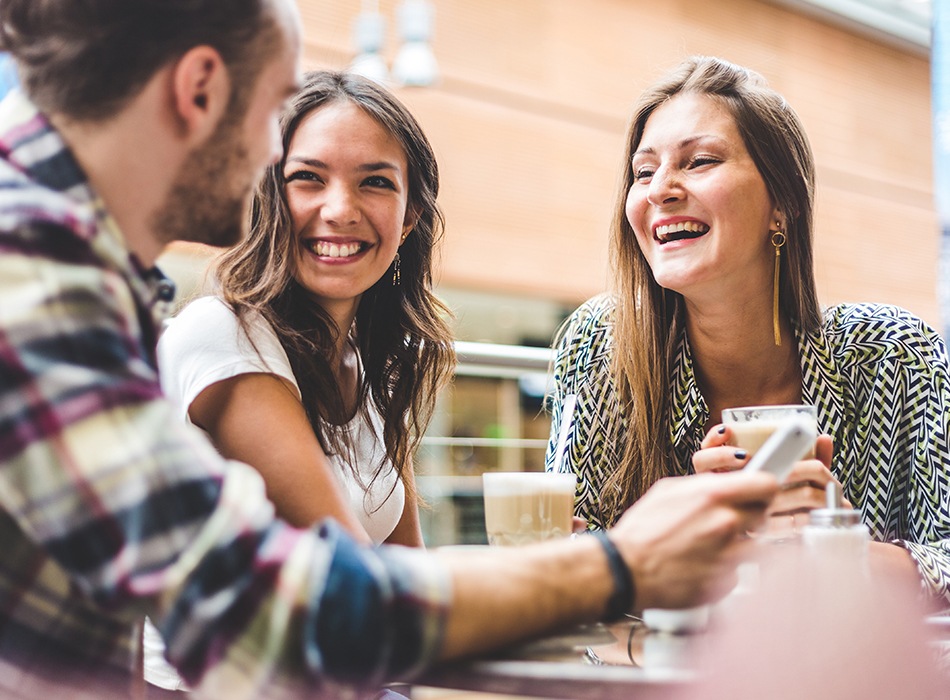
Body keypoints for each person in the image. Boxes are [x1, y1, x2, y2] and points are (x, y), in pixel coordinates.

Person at [0, 4, 780, 696]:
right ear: (201, 89)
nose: (275, 161)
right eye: (278, 118)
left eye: (375, 183)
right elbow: (262, 616)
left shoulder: (82, 273)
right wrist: (618, 565)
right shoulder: (33, 283)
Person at [546, 55, 950, 607]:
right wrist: (686, 538)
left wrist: (835, 547)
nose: (660, 188)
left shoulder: (893, 356)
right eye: (644, 172)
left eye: (701, 161)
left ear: (780, 204)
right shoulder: (599, 344)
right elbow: (567, 558)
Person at [145, 69, 454, 693]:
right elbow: (360, 587)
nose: (339, 210)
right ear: (267, 194)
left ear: (411, 212)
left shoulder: (368, 372)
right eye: (306, 178)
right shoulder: (224, 337)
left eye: (375, 182)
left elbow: (405, 577)